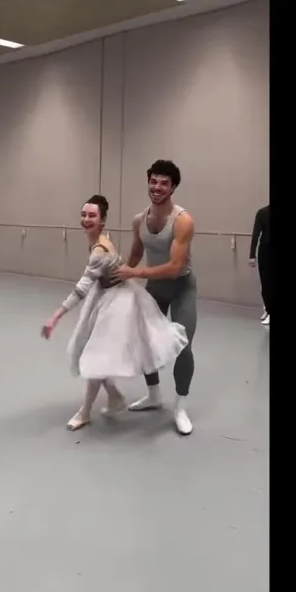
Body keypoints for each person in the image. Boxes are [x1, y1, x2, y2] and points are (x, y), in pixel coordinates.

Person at [42, 194, 188, 431]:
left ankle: (85, 411)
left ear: (102, 221)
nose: (86, 219)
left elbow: (81, 289)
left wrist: (55, 317)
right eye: (83, 215)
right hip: (107, 295)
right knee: (96, 353)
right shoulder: (99, 241)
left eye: (92, 215)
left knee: (96, 355)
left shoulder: (99, 251)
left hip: (119, 302)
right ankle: (114, 396)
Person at [109, 160, 199, 435]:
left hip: (181, 287)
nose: (157, 187)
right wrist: (118, 272)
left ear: (173, 188)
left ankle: (180, 407)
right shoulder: (140, 220)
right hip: (155, 288)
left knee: (183, 346)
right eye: (153, 181)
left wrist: (135, 272)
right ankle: (154, 395)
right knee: (146, 342)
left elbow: (174, 267)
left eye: (164, 183)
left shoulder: (183, 221)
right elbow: (136, 253)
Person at [250, 204, 271, 326]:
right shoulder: (262, 213)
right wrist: (252, 255)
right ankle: (268, 309)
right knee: (265, 282)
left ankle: (269, 309)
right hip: (266, 251)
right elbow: (256, 234)